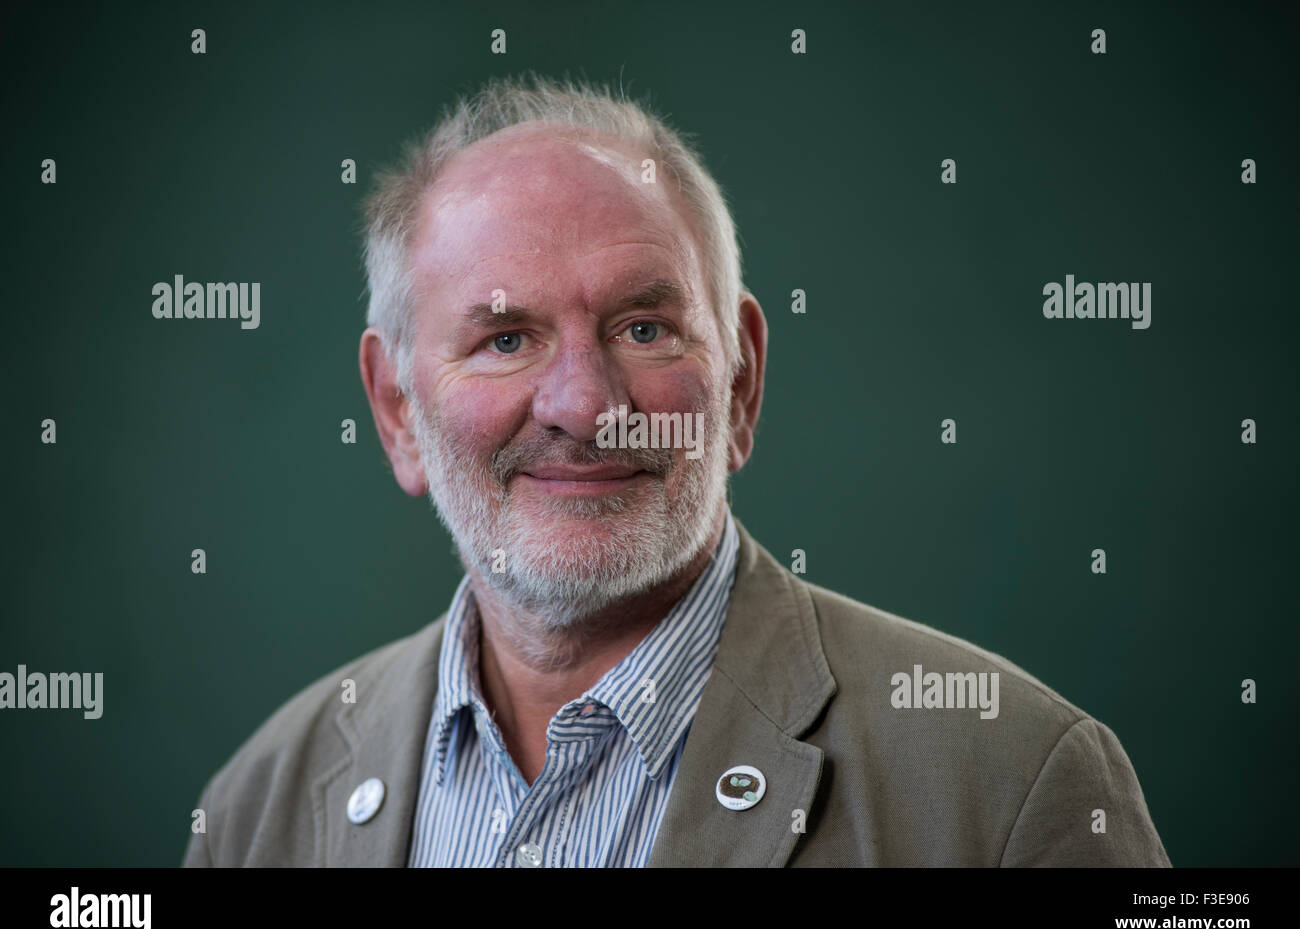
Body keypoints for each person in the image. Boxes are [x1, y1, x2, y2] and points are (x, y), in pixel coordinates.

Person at [183, 73, 1170, 867]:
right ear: (396, 409)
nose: (582, 404)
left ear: (740, 381)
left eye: (643, 328)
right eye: (505, 339)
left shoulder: (1010, 786)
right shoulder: (257, 809)